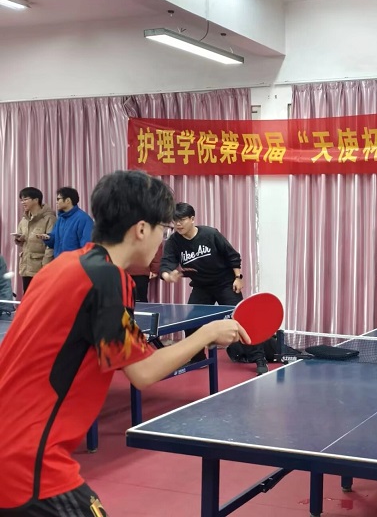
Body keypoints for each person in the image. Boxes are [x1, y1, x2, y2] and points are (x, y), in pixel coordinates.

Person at [0, 170, 249, 515]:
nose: (162, 240)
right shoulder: (107, 277)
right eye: (162, 229)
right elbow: (143, 372)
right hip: (27, 461)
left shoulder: (62, 267)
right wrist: (207, 333)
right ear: (142, 229)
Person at [159, 202, 268, 375]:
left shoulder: (210, 234)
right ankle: (198, 358)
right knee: (190, 322)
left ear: (192, 219)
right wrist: (167, 275)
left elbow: (232, 256)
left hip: (225, 283)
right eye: (175, 221)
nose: (178, 224)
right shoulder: (174, 241)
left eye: (182, 220)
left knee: (242, 318)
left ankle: (259, 358)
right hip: (201, 286)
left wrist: (238, 278)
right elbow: (167, 263)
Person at [15, 187, 56, 292]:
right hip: (26, 266)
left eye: (25, 199)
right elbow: (24, 242)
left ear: (36, 200)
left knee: (41, 297)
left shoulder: (49, 218)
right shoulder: (24, 219)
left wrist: (46, 266)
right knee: (27, 297)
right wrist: (19, 239)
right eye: (21, 200)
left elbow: (51, 244)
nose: (23, 202)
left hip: (41, 267)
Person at [41, 187, 94, 258]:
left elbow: (87, 246)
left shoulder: (83, 219)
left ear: (68, 200)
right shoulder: (61, 219)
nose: (56, 202)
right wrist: (48, 238)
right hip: (60, 261)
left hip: (75, 262)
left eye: (58, 199)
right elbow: (55, 239)